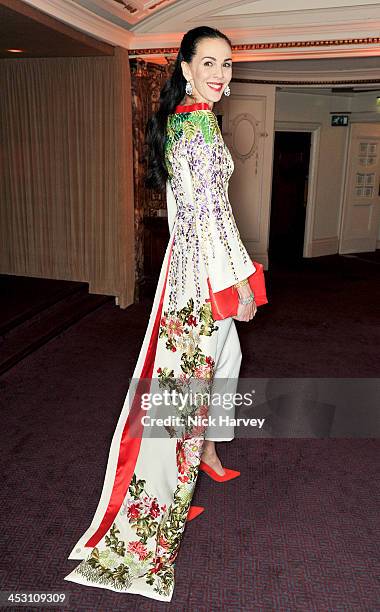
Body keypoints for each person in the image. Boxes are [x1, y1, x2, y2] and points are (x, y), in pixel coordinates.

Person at [64, 25, 257, 602]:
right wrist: (241, 283)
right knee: (184, 394)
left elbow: (199, 218)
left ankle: (198, 463)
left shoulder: (190, 120)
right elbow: (209, 221)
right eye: (210, 63)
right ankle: (168, 495)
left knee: (197, 381)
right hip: (202, 277)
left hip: (190, 273)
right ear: (186, 68)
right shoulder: (195, 128)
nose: (221, 73)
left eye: (227, 63)